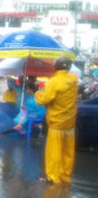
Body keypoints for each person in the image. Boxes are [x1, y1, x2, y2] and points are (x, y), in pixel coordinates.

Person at [35, 56, 78, 184]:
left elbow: (44, 99)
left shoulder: (53, 82)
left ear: (56, 67)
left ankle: (53, 177)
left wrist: (38, 93)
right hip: (70, 122)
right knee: (68, 152)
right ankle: (66, 175)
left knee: (54, 151)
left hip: (57, 123)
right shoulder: (74, 79)